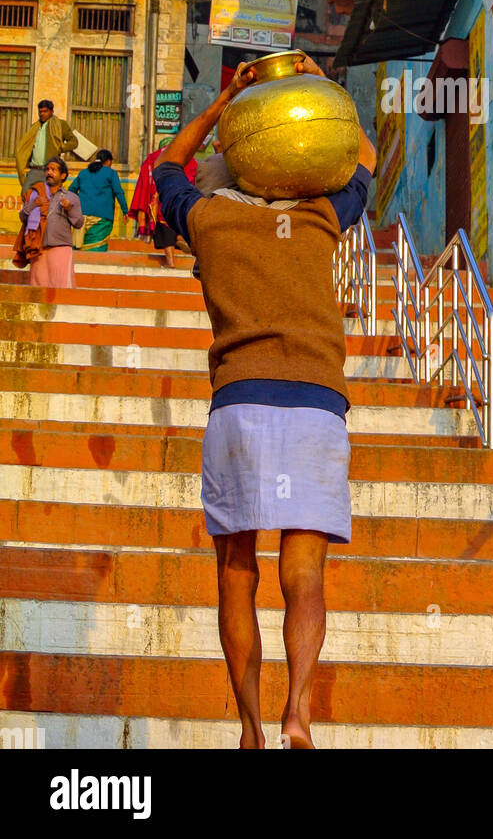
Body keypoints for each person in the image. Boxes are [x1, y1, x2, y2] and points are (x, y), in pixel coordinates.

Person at [154, 55, 376, 750]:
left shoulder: (206, 218)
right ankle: (297, 713)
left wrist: (225, 102)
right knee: (304, 572)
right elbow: (364, 155)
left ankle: (250, 725)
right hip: (315, 402)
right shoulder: (318, 217)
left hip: (240, 401)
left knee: (236, 570)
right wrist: (315, 78)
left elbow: (169, 162)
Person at [130, 136, 196, 268]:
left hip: (161, 203)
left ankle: (170, 262)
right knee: (177, 231)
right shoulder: (187, 158)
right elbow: (193, 176)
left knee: (166, 235)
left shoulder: (154, 158)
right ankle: (181, 241)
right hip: (183, 203)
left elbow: (145, 183)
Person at [18, 157, 84, 288]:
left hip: (60, 248)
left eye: (53, 170)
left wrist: (69, 208)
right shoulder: (35, 194)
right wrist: (33, 205)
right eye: (47, 169)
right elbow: (22, 217)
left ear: (63, 175)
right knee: (37, 290)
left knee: (61, 289)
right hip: (38, 248)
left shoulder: (71, 197)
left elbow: (79, 223)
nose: (49, 173)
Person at [68, 149, 129, 252]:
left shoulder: (83, 173)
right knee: (96, 250)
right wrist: (125, 210)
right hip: (102, 218)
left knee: (77, 249)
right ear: (109, 161)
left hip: (80, 218)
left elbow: (71, 190)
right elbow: (118, 192)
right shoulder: (111, 173)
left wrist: (71, 209)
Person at [15, 100, 77, 194]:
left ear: (52, 111)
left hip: (50, 170)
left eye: (45, 111)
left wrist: (60, 148)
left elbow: (74, 142)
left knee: (50, 197)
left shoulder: (60, 125)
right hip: (35, 169)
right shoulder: (35, 127)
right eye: (40, 111)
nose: (42, 114)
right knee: (26, 194)